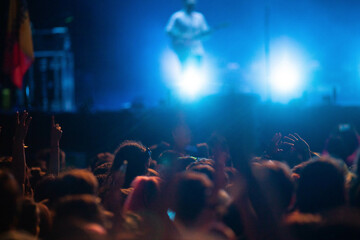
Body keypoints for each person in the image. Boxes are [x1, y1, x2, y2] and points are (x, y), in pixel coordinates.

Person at [166, 0, 209, 67]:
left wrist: (205, 35)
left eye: (193, 4)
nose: (191, 6)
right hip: (182, 48)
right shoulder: (177, 17)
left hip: (196, 48)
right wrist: (181, 36)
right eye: (189, 4)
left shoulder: (199, 17)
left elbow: (205, 32)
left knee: (198, 67)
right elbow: (168, 30)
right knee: (184, 67)